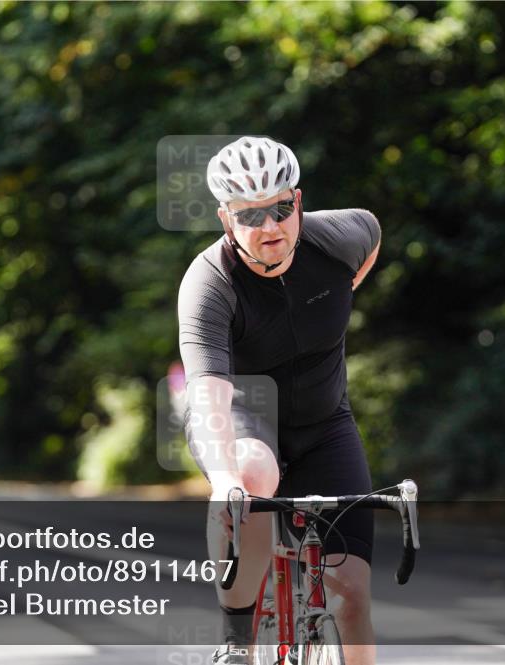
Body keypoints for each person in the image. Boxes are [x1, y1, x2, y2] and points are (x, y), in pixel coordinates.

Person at [177, 136, 381, 665]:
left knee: (352, 596)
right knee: (251, 473)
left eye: (280, 207)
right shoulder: (209, 283)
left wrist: (342, 288)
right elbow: (209, 400)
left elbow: (373, 233)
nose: (270, 226)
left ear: (299, 201)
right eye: (250, 215)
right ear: (227, 220)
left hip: (325, 420)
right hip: (246, 418)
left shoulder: (341, 239)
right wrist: (223, 482)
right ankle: (237, 642)